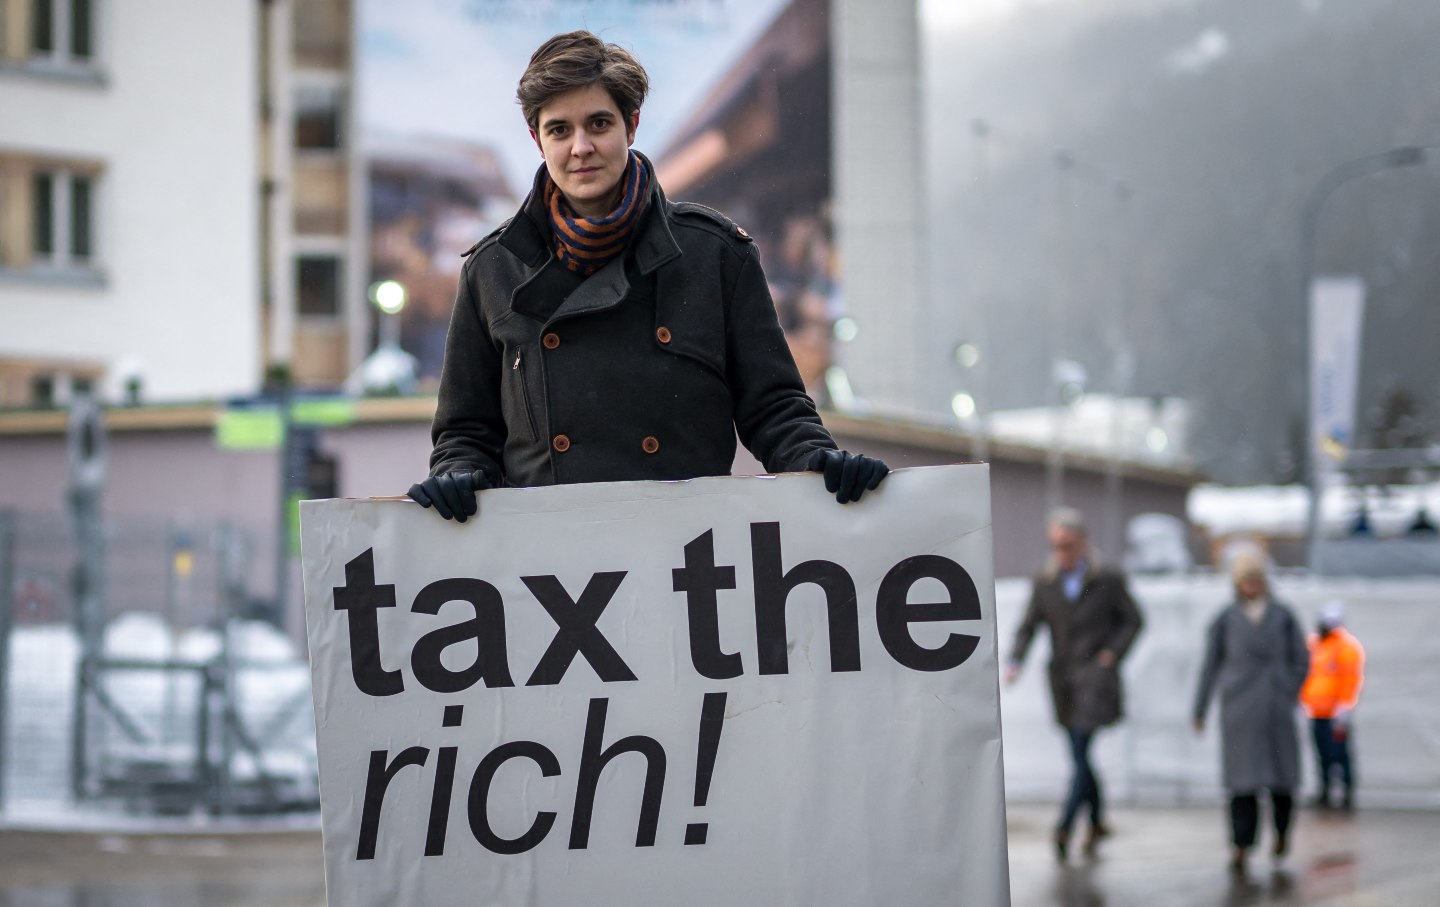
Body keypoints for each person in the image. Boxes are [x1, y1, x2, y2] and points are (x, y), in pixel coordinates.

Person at [408, 30, 887, 520]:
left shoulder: (714, 253)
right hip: (549, 561)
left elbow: (774, 406)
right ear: (537, 139)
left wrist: (818, 461)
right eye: (559, 130)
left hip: (688, 554)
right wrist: (456, 476)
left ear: (630, 126)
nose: (581, 147)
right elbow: (466, 431)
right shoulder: (492, 270)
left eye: (598, 123)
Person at [1006, 507, 1144, 862]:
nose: (1063, 552)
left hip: (1095, 677)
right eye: (1057, 545)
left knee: (1081, 748)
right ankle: (1097, 820)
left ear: (1083, 542)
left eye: (1068, 544)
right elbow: (1029, 624)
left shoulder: (1106, 578)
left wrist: (1112, 653)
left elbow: (1133, 620)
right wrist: (1015, 660)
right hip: (1063, 678)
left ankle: (1065, 825)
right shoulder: (1045, 580)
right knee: (1080, 752)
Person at [1191, 551, 1310, 874]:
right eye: (1246, 580)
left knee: (1282, 780)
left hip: (1275, 709)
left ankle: (1282, 834)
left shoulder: (1283, 617)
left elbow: (1302, 659)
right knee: (1242, 784)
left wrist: (1286, 688)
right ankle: (1241, 844)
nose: (1252, 585)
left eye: (1257, 579)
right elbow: (1210, 666)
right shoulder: (1226, 619)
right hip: (1240, 711)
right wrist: (1200, 708)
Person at [1299, 600, 1365, 810]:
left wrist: (1345, 706)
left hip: (1336, 714)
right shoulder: (1315, 645)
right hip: (1316, 712)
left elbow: (1350, 679)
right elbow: (1304, 674)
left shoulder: (1346, 648)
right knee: (1321, 755)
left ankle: (1346, 794)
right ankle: (1324, 791)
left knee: (1340, 754)